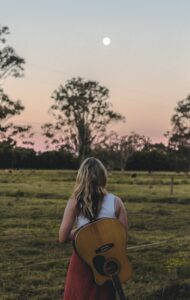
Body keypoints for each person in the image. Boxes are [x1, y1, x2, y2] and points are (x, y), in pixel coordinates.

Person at [59, 157, 128, 300]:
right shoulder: (116, 202)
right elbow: (123, 237)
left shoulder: (74, 202)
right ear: (103, 176)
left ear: (81, 176)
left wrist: (84, 233)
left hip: (82, 259)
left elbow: (63, 237)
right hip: (107, 262)